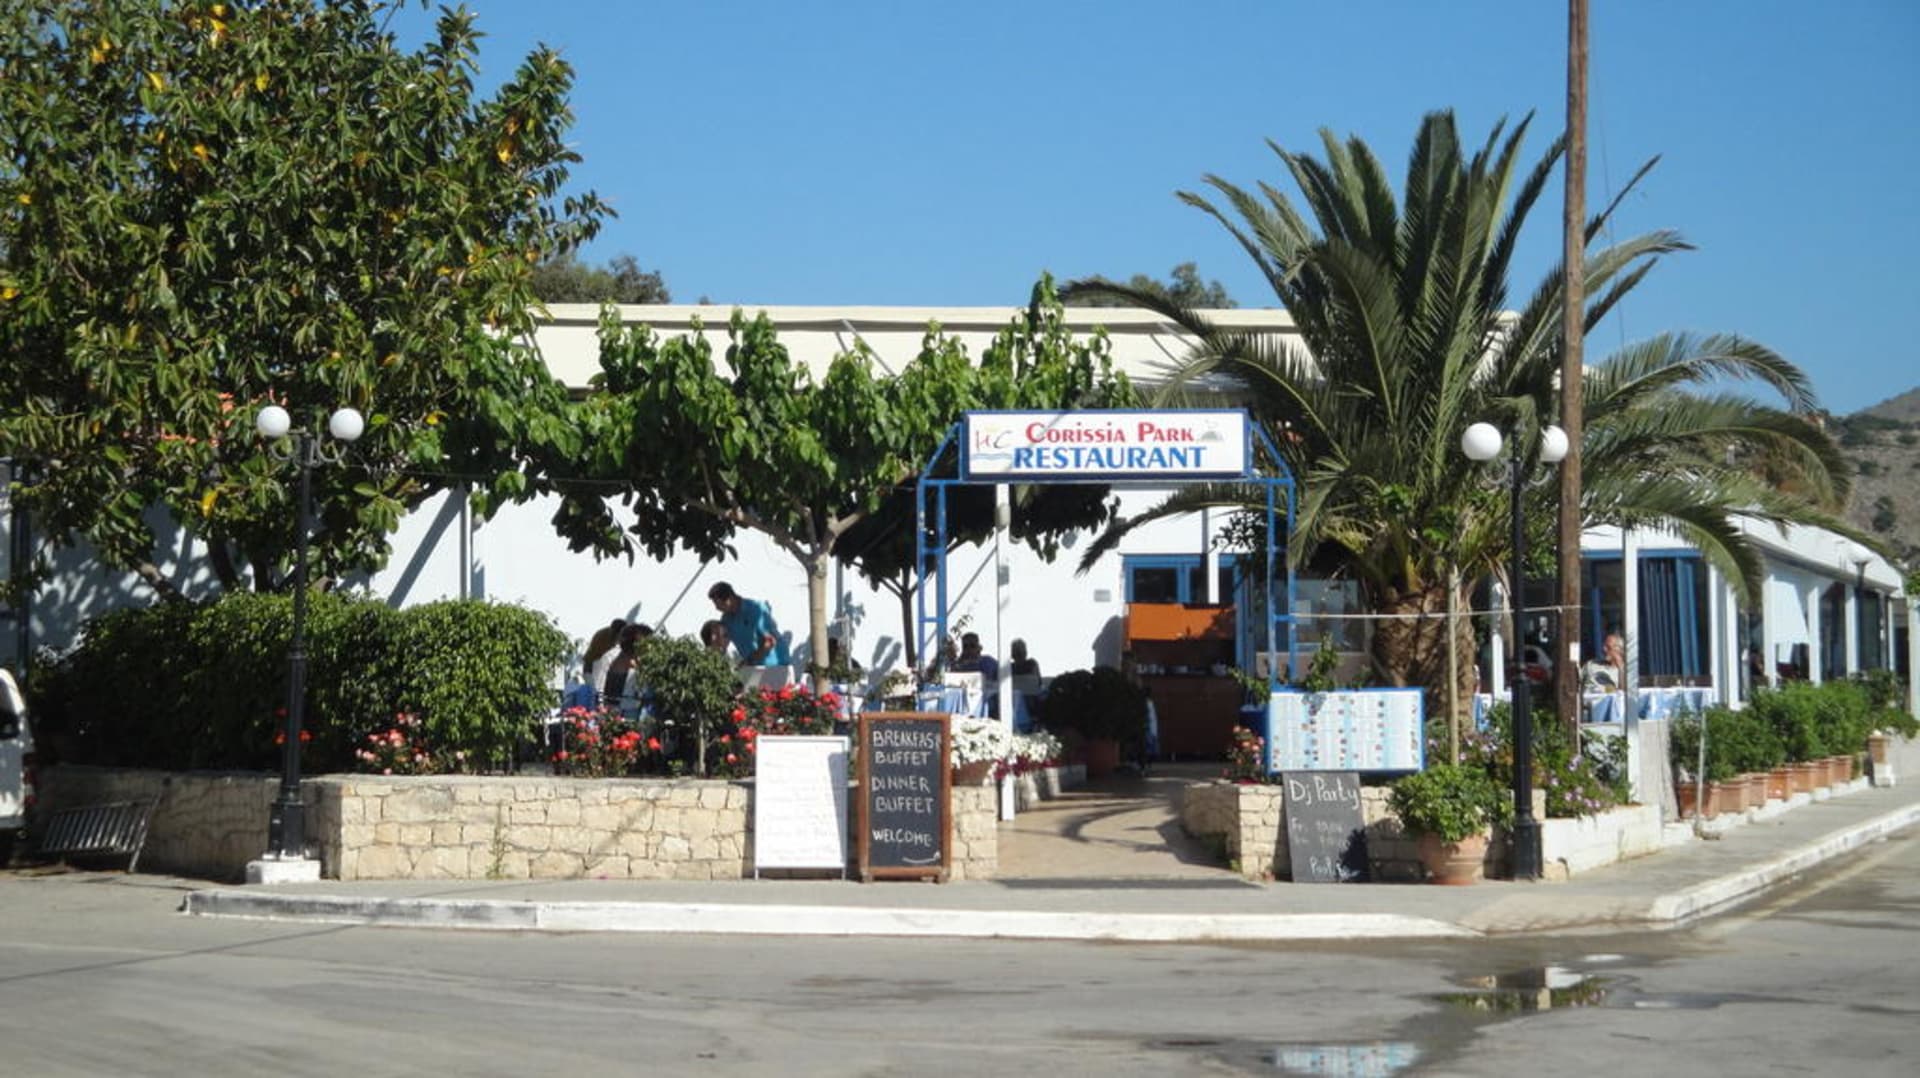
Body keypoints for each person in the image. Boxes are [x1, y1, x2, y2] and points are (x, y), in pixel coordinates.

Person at [707, 581, 789, 667]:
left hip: (776, 664)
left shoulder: (756, 609)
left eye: (718, 604)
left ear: (729, 599)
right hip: (753, 666)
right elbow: (723, 642)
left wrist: (749, 661)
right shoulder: (726, 619)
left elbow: (770, 641)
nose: (716, 608)